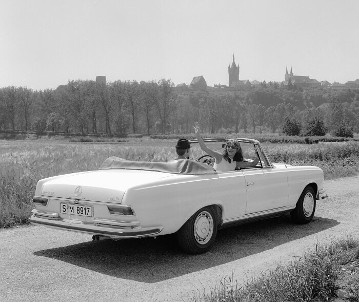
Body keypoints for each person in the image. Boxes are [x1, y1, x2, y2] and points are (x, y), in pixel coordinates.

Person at [194, 123, 259, 171]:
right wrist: (197, 135)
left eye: (233, 147)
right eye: (228, 146)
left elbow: (253, 164)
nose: (230, 148)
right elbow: (204, 148)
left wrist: (258, 152)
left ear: (237, 149)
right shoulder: (219, 157)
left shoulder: (235, 163)